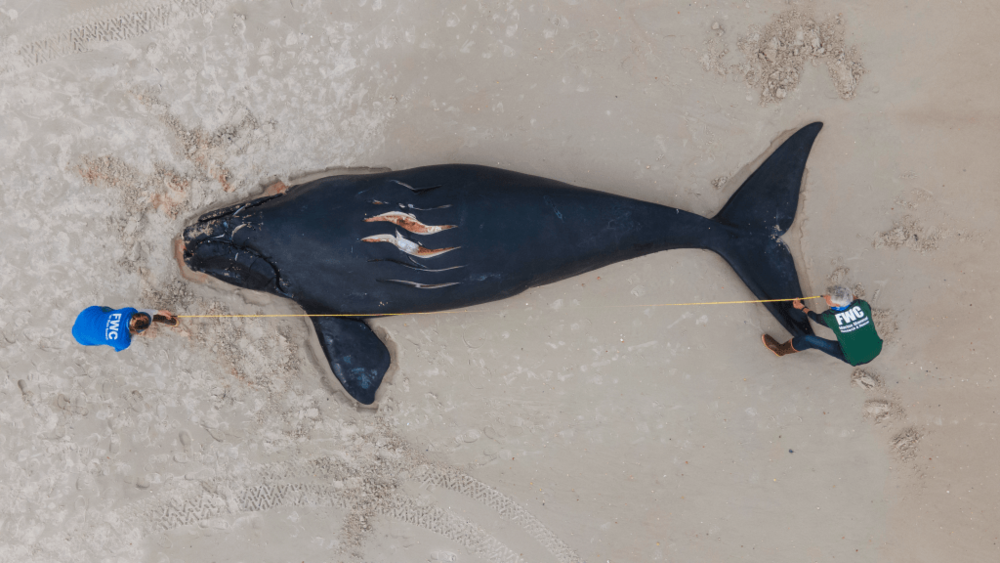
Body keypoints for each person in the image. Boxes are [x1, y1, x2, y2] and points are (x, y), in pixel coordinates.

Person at [762, 285, 883, 366]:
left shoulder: (829, 317)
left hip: (854, 357)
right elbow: (855, 300)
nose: (825, 298)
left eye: (828, 299)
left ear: (836, 305)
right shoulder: (863, 305)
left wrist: (802, 307)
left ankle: (780, 350)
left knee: (808, 339)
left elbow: (815, 317)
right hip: (876, 348)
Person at [72, 306, 178, 352]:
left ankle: (156, 320)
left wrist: (158, 312)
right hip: (83, 337)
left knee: (103, 335)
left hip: (86, 315)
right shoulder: (123, 342)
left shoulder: (128, 311)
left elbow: (117, 349)